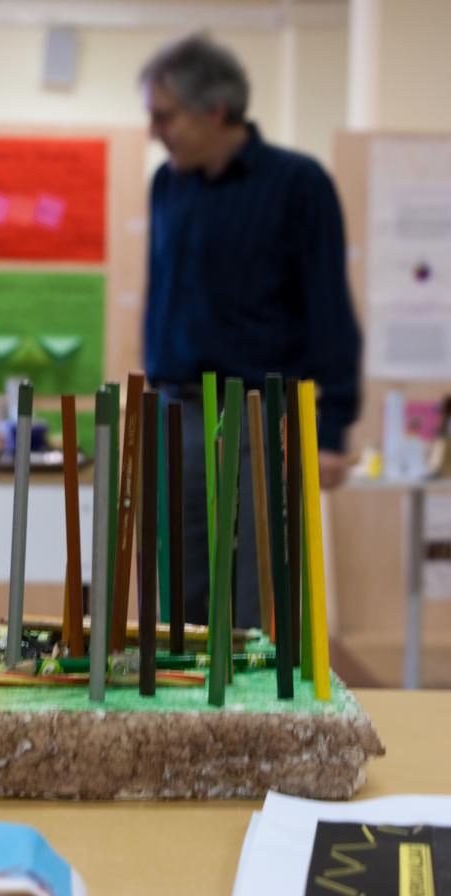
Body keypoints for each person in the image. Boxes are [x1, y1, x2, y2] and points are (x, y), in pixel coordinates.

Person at [139, 34, 361, 630]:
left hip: (264, 414)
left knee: (259, 604)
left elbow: (329, 306)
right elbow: (163, 295)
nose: (154, 132)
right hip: (179, 413)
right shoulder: (167, 185)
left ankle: (254, 698)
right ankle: (182, 698)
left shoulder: (298, 183)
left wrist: (333, 428)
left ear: (214, 111)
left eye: (165, 116)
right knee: (178, 607)